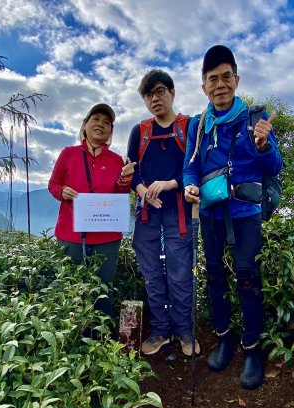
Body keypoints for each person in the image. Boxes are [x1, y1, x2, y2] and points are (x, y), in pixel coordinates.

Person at [183, 45, 283, 389]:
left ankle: (252, 348)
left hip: (245, 213)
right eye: (213, 79)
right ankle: (224, 338)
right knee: (214, 277)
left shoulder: (256, 118)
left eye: (226, 76)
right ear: (204, 87)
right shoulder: (198, 126)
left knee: (248, 278)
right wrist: (190, 187)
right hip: (211, 213)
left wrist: (263, 146)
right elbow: (190, 168)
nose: (220, 84)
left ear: (236, 80)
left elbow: (274, 168)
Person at [127, 69, 199, 357]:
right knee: (151, 273)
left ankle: (184, 330)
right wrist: (144, 192)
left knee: (181, 275)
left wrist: (171, 184)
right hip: (147, 214)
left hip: (179, 212)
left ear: (172, 92)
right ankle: (160, 331)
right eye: (148, 95)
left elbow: (197, 168)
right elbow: (132, 174)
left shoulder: (189, 126)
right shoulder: (140, 131)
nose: (154, 99)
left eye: (159, 92)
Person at [48, 103, 136, 319]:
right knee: (73, 288)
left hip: (107, 236)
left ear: (110, 132)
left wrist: (125, 179)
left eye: (107, 123)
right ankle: (75, 335)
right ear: (85, 125)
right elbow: (53, 184)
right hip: (71, 235)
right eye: (95, 119)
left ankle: (102, 338)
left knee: (104, 289)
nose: (101, 124)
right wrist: (62, 191)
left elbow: (120, 196)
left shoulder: (117, 160)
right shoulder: (68, 154)